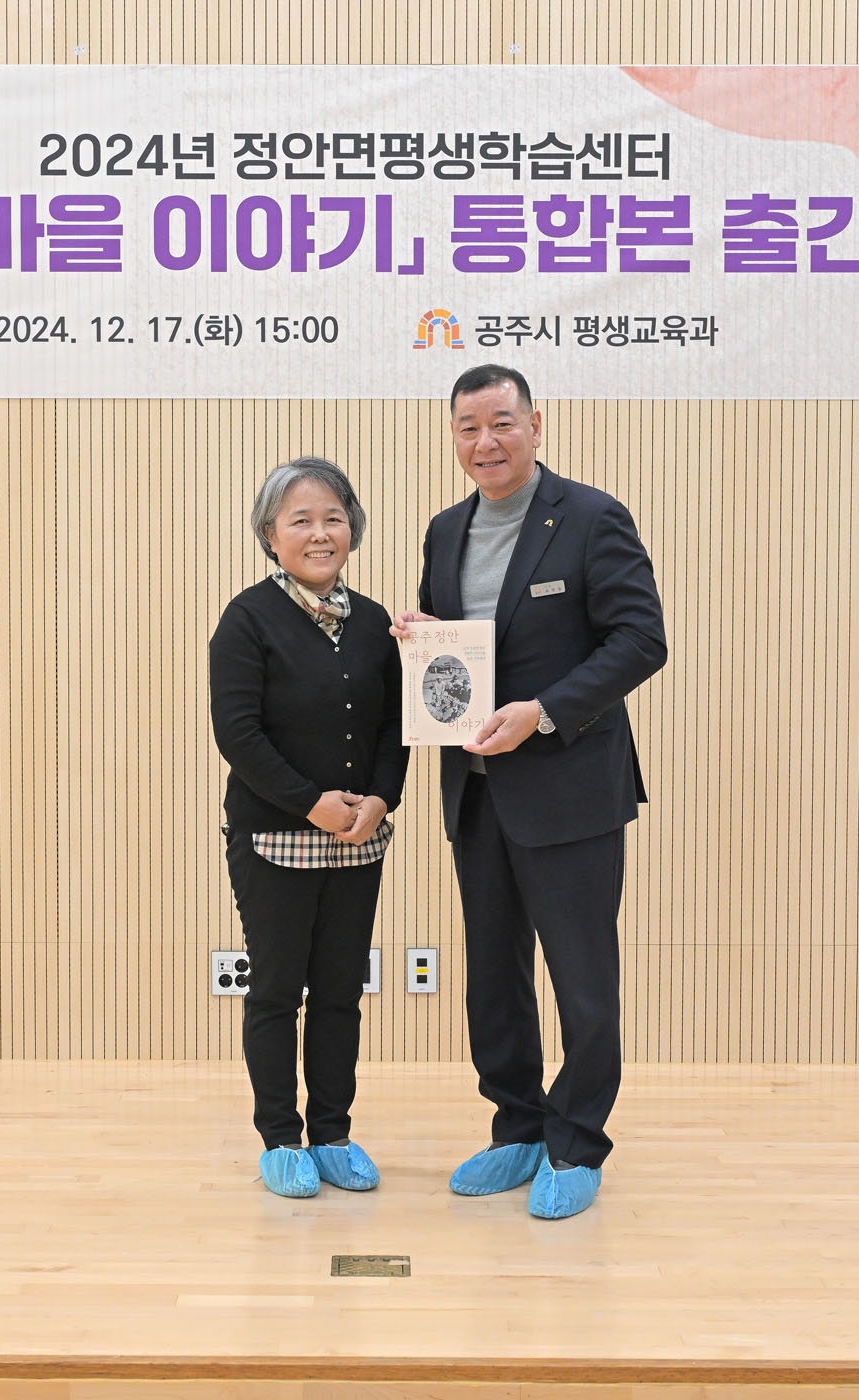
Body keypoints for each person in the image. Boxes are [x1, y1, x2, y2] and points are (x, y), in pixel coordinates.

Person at [391, 365, 666, 1220]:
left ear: (536, 426)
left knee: (582, 979)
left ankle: (576, 1141)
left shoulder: (590, 517)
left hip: (570, 791)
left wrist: (544, 713)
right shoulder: (445, 531)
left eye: (502, 423)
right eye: (469, 427)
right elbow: (465, 651)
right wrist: (428, 638)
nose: (487, 442)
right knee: (494, 976)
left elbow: (640, 639)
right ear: (453, 436)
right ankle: (515, 1126)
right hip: (476, 792)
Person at [210, 457, 407, 1198]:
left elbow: (395, 728)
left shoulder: (376, 623)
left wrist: (380, 800)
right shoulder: (247, 618)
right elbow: (239, 735)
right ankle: (280, 1139)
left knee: (338, 992)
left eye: (333, 518)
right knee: (276, 990)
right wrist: (311, 804)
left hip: (359, 840)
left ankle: (332, 1133)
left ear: (353, 529)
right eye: (301, 520)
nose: (320, 533)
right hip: (275, 839)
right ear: (270, 535)